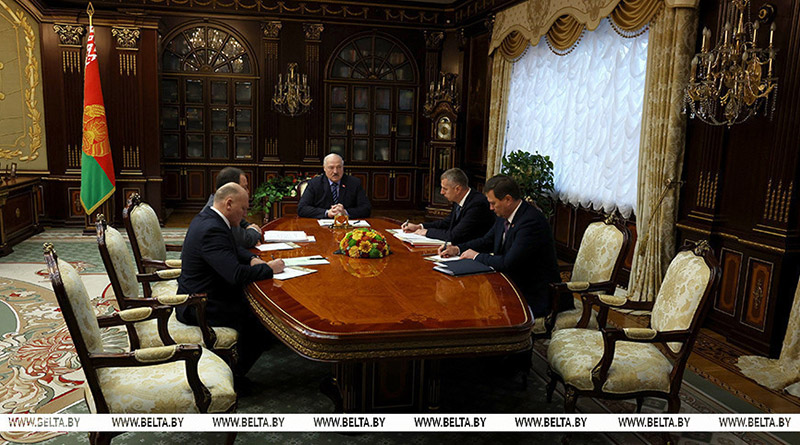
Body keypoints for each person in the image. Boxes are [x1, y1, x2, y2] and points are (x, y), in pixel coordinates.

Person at [177, 182, 285, 380]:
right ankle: (232, 376)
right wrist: (269, 269)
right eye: (243, 208)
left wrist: (252, 258)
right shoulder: (212, 228)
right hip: (199, 305)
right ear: (228, 204)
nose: (245, 214)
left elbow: (232, 248)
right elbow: (235, 274)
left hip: (207, 292)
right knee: (263, 319)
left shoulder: (210, 218)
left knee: (261, 306)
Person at [438, 175, 562, 318]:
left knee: (478, 312)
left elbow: (508, 263)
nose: (490, 208)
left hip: (532, 295)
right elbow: (487, 241)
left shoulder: (531, 222)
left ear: (508, 199)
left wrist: (476, 256)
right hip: (508, 285)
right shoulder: (503, 215)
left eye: (493, 203)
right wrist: (458, 249)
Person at [402, 168, 495, 244]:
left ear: (457, 189)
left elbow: (454, 235)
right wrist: (420, 226)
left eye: (445, 189)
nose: (441, 192)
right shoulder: (459, 199)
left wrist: (427, 232)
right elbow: (447, 223)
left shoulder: (477, 204)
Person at [297, 153, 371, 219]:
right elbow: (302, 209)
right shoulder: (315, 183)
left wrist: (345, 212)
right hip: (321, 224)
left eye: (339, 167)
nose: (335, 171)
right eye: (331, 167)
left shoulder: (354, 183)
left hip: (347, 224)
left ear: (343, 167)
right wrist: (327, 213)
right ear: (324, 168)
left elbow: (366, 208)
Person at [204, 167, 261, 248]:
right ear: (231, 188)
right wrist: (254, 231)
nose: (247, 192)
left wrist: (249, 228)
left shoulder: (218, 202)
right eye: (244, 188)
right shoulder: (218, 211)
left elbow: (242, 223)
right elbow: (245, 240)